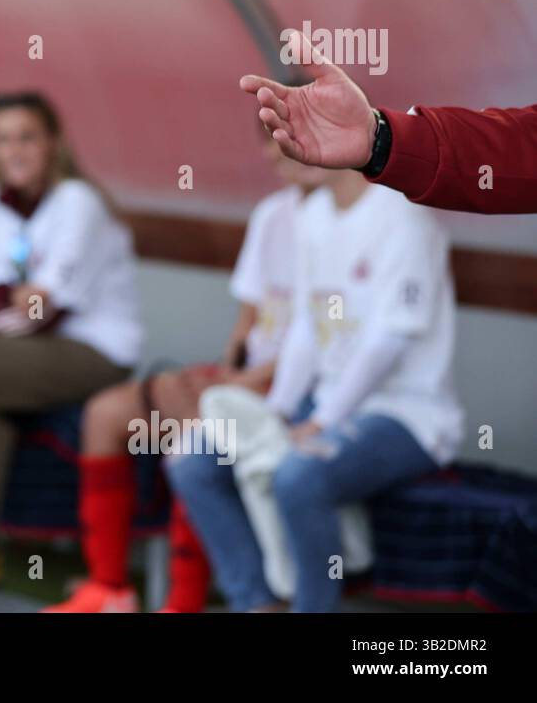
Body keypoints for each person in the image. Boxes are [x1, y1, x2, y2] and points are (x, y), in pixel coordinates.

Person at [43, 131, 327, 613]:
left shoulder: (349, 222)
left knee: (194, 432)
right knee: (106, 414)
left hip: (298, 390)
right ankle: (110, 589)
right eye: (271, 137)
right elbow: (249, 319)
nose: (280, 149)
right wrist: (225, 371)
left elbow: (322, 339)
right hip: (248, 377)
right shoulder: (271, 215)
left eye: (295, 135)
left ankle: (183, 602)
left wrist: (241, 386)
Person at [166, 167, 463, 612]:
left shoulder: (403, 218)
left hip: (409, 417)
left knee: (298, 476)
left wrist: (323, 421)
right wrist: (281, 409)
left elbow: (391, 341)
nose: (290, 147)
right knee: (193, 462)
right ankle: (257, 605)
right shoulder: (313, 215)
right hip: (322, 404)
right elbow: (307, 326)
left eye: (304, 131)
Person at [0, 91, 143, 592]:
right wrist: (17, 303)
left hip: (97, 353)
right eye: (2, 139)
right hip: (32, 348)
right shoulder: (0, 205)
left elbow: (47, 312)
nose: (14, 150)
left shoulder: (77, 201)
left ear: (53, 144)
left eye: (27, 137)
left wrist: (15, 307)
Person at [243, 30, 537, 214]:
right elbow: (519, 146)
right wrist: (379, 138)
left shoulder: (397, 218)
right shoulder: (299, 216)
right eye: (278, 162)